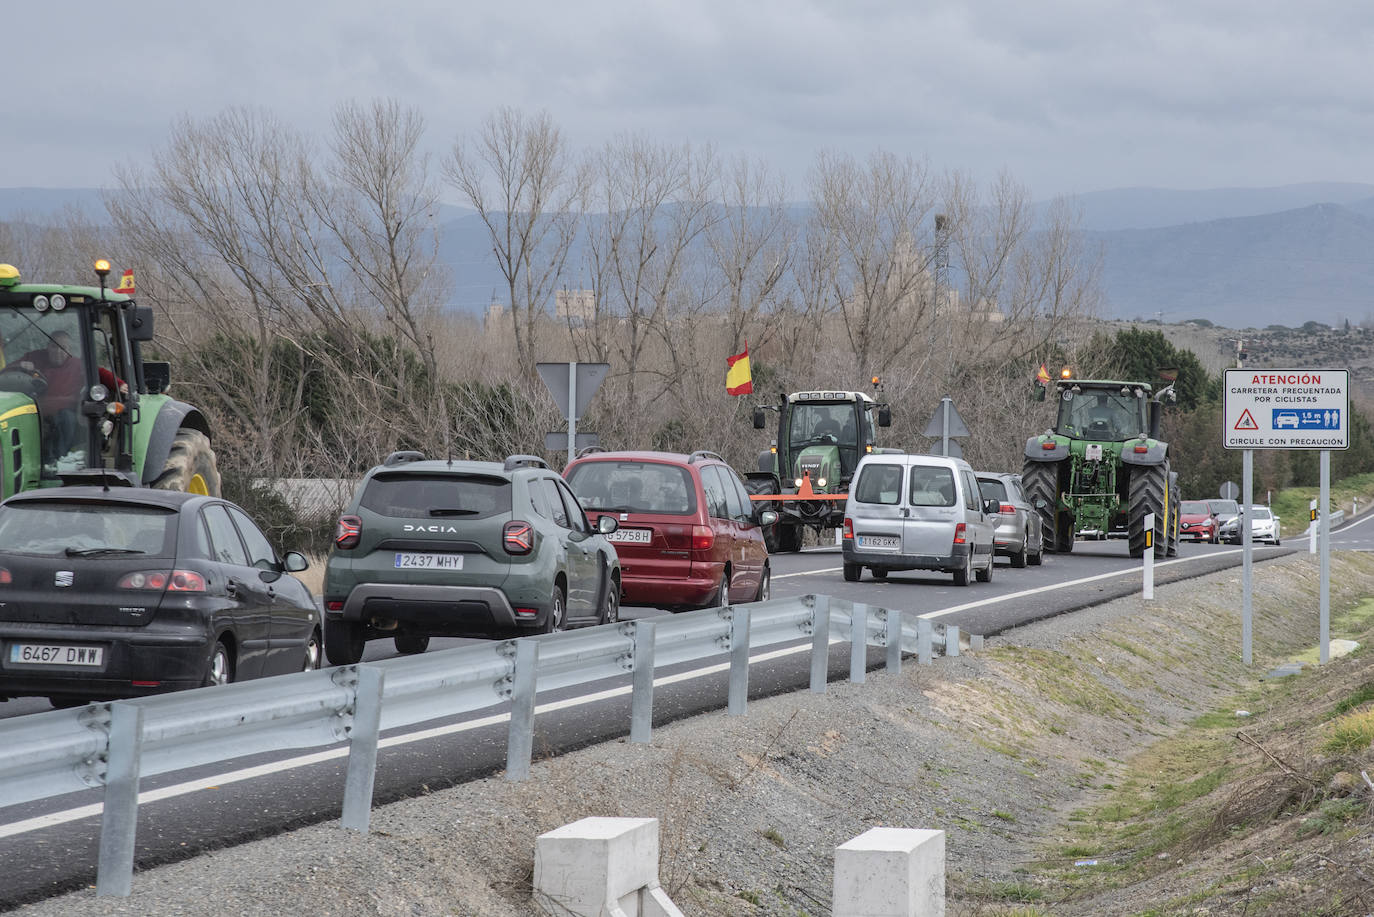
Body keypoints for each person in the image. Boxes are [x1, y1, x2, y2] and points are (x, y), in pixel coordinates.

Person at [18, 331, 125, 461]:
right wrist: (20, 366)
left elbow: (99, 373)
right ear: (48, 347)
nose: (58, 351)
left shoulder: (77, 365)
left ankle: (58, 461)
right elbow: (8, 370)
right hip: (34, 411)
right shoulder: (35, 359)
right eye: (54, 346)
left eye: (63, 347)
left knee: (65, 418)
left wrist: (120, 385)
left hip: (65, 413)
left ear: (69, 349)